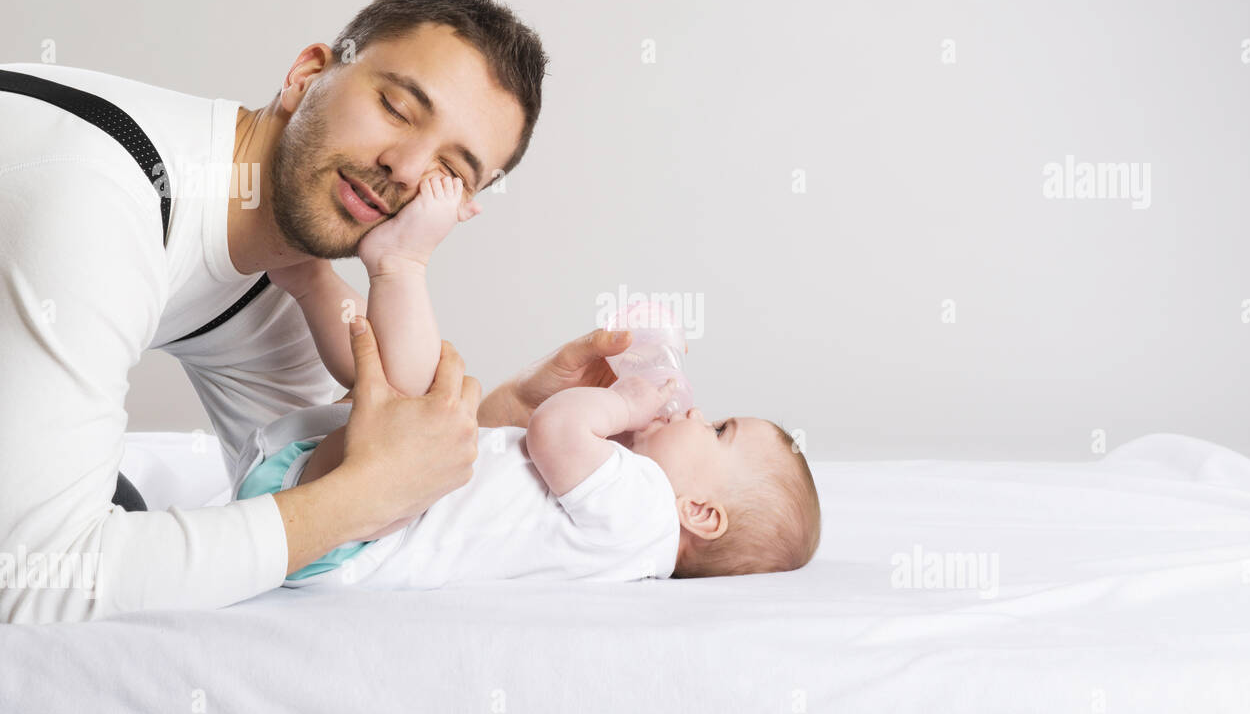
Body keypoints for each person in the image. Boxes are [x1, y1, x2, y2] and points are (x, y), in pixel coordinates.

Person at [0, 0, 628, 623]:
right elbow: (37, 577)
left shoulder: (274, 276)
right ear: (307, 75)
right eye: (395, 107)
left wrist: (502, 424)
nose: (406, 168)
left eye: (450, 173)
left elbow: (309, 475)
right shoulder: (100, 198)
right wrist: (362, 498)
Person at [228, 173, 820, 592]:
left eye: (719, 431)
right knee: (380, 385)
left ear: (701, 514)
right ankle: (307, 279)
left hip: (351, 528)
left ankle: (399, 262)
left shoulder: (647, 516)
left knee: (413, 393)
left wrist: (621, 403)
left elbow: (556, 429)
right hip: (340, 519)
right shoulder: (625, 532)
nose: (697, 415)